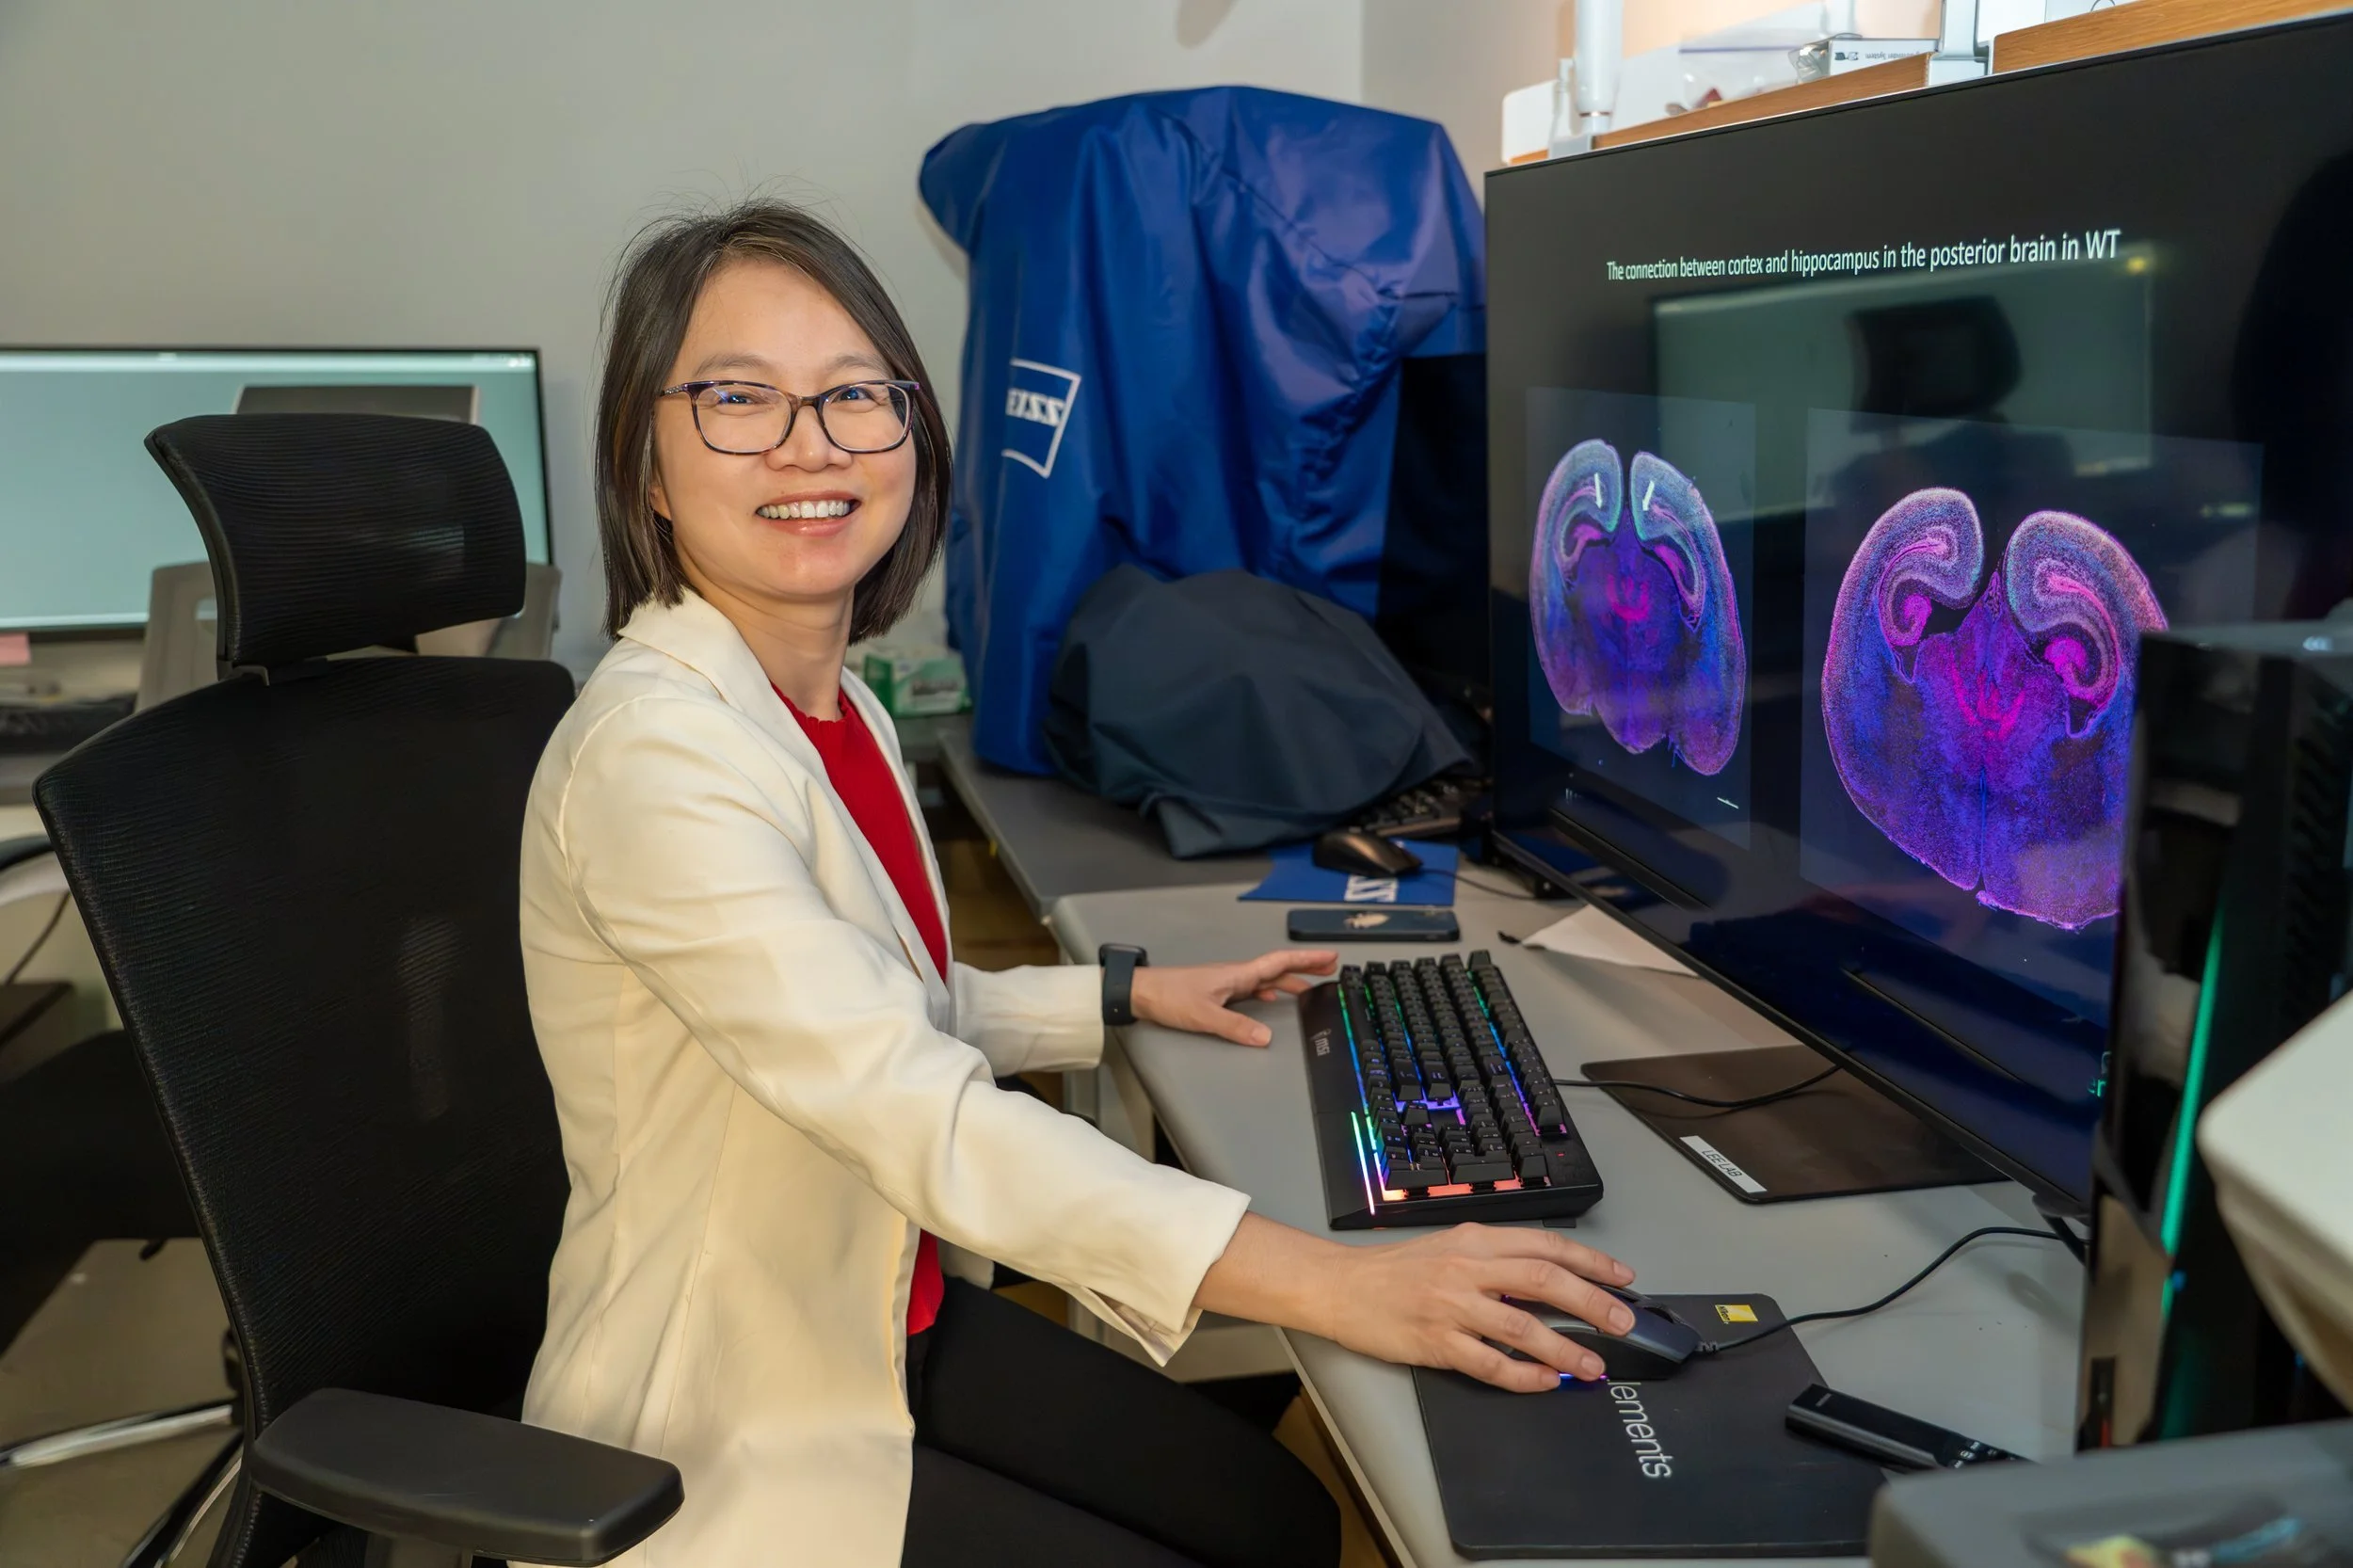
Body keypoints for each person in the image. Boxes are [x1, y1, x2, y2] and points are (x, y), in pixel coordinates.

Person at [519, 199, 1641, 1568]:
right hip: (730, 1409)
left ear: (912, 432)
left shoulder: (827, 700)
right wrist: (1338, 1281)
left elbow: (870, 996)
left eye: (854, 393)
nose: (811, 445)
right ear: (644, 460)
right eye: (739, 398)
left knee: (1279, 1517)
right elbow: (905, 1102)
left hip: (879, 1306)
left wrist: (1117, 995)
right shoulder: (654, 758)